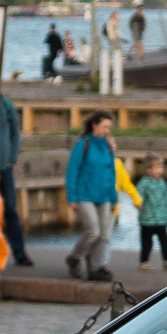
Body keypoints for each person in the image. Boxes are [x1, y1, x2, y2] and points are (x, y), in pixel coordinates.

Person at [65, 111, 121, 282]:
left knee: (104, 236)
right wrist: (71, 196)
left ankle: (95, 269)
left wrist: (113, 198)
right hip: (84, 195)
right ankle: (74, 258)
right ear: (94, 125)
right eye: (104, 126)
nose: (107, 130)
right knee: (93, 232)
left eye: (109, 127)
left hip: (103, 196)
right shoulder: (84, 144)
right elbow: (72, 171)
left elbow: (111, 173)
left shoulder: (108, 146)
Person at [0, 90, 31, 268]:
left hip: (3, 168)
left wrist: (11, 159)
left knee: (10, 209)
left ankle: (20, 252)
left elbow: (15, 134)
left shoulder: (5, 104)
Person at [135, 154, 167, 270]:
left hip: (161, 219)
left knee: (165, 242)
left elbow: (166, 201)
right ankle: (144, 262)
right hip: (147, 220)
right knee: (147, 243)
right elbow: (138, 197)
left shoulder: (162, 183)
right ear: (148, 170)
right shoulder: (144, 183)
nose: (159, 170)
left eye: (161, 168)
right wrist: (138, 203)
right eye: (156, 168)